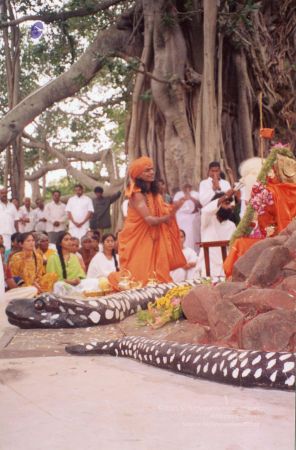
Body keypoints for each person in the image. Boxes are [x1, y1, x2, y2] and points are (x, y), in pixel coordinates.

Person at [111, 156, 186, 287]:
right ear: (138, 175)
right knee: (139, 277)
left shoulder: (154, 194)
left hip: (155, 238)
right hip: (138, 239)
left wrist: (172, 210)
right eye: (147, 170)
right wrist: (170, 215)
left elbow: (163, 211)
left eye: (152, 169)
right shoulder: (136, 195)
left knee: (158, 276)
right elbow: (149, 220)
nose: (151, 172)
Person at [198, 192, 237, 279]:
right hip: (209, 268)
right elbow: (205, 210)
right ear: (217, 205)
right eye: (226, 203)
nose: (230, 207)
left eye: (230, 204)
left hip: (227, 269)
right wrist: (225, 196)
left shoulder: (231, 225)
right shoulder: (207, 220)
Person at [173, 183, 201, 251]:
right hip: (181, 220)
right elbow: (175, 205)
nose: (187, 188)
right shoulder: (178, 194)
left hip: (193, 219)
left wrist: (190, 197)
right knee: (183, 237)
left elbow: (200, 205)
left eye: (189, 186)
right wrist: (184, 198)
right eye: (185, 187)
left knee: (193, 238)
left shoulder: (196, 194)